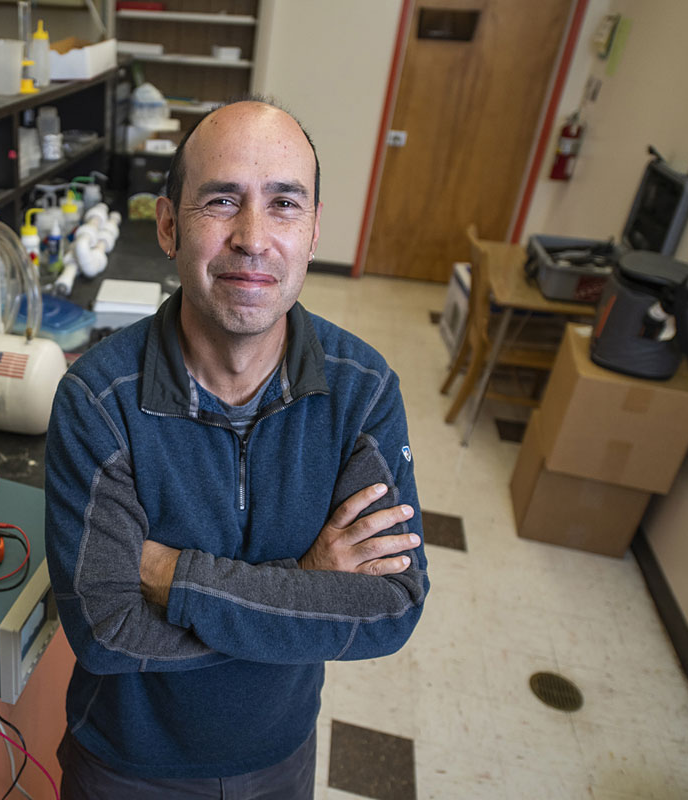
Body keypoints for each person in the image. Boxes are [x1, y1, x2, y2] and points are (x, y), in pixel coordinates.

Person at [44, 97, 428, 799]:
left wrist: (172, 576)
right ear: (169, 226)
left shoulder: (362, 390)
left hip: (280, 754)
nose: (253, 238)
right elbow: (104, 630)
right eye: (222, 201)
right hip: (127, 765)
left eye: (284, 204)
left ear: (313, 231)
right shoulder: (98, 400)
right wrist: (307, 582)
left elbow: (391, 607)